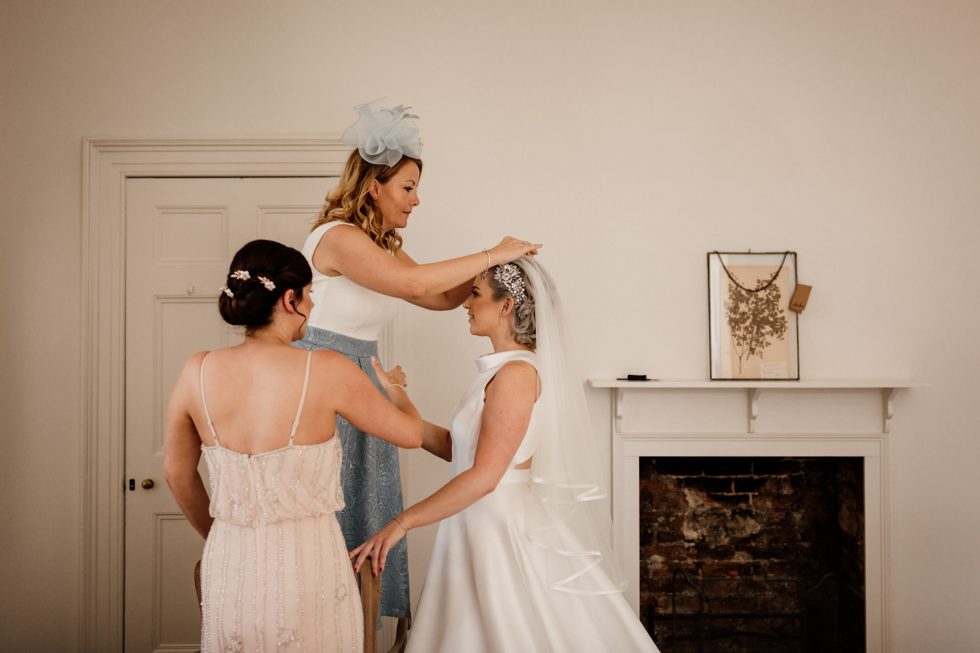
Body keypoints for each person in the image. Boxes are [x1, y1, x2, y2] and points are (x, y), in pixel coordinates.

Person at [296, 98, 541, 621]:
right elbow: (412, 284)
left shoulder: (382, 244)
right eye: (408, 188)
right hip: (322, 380)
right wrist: (490, 254)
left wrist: (493, 279)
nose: (417, 200)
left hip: (362, 381)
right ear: (374, 186)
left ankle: (358, 630)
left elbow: (435, 294)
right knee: (323, 514)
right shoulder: (337, 238)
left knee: (363, 515)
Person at [351, 258, 662, 652]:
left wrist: (402, 523)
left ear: (506, 305)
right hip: (474, 520)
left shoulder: (516, 375)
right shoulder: (497, 370)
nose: (466, 304)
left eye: (475, 294)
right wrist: (396, 394)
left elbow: (485, 476)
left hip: (497, 526)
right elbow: (456, 447)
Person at [163, 239, 424, 653]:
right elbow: (412, 434)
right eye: (309, 294)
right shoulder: (326, 369)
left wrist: (224, 535)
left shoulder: (196, 369)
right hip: (309, 566)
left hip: (230, 562)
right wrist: (394, 389)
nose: (313, 305)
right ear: (290, 300)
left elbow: (177, 474)